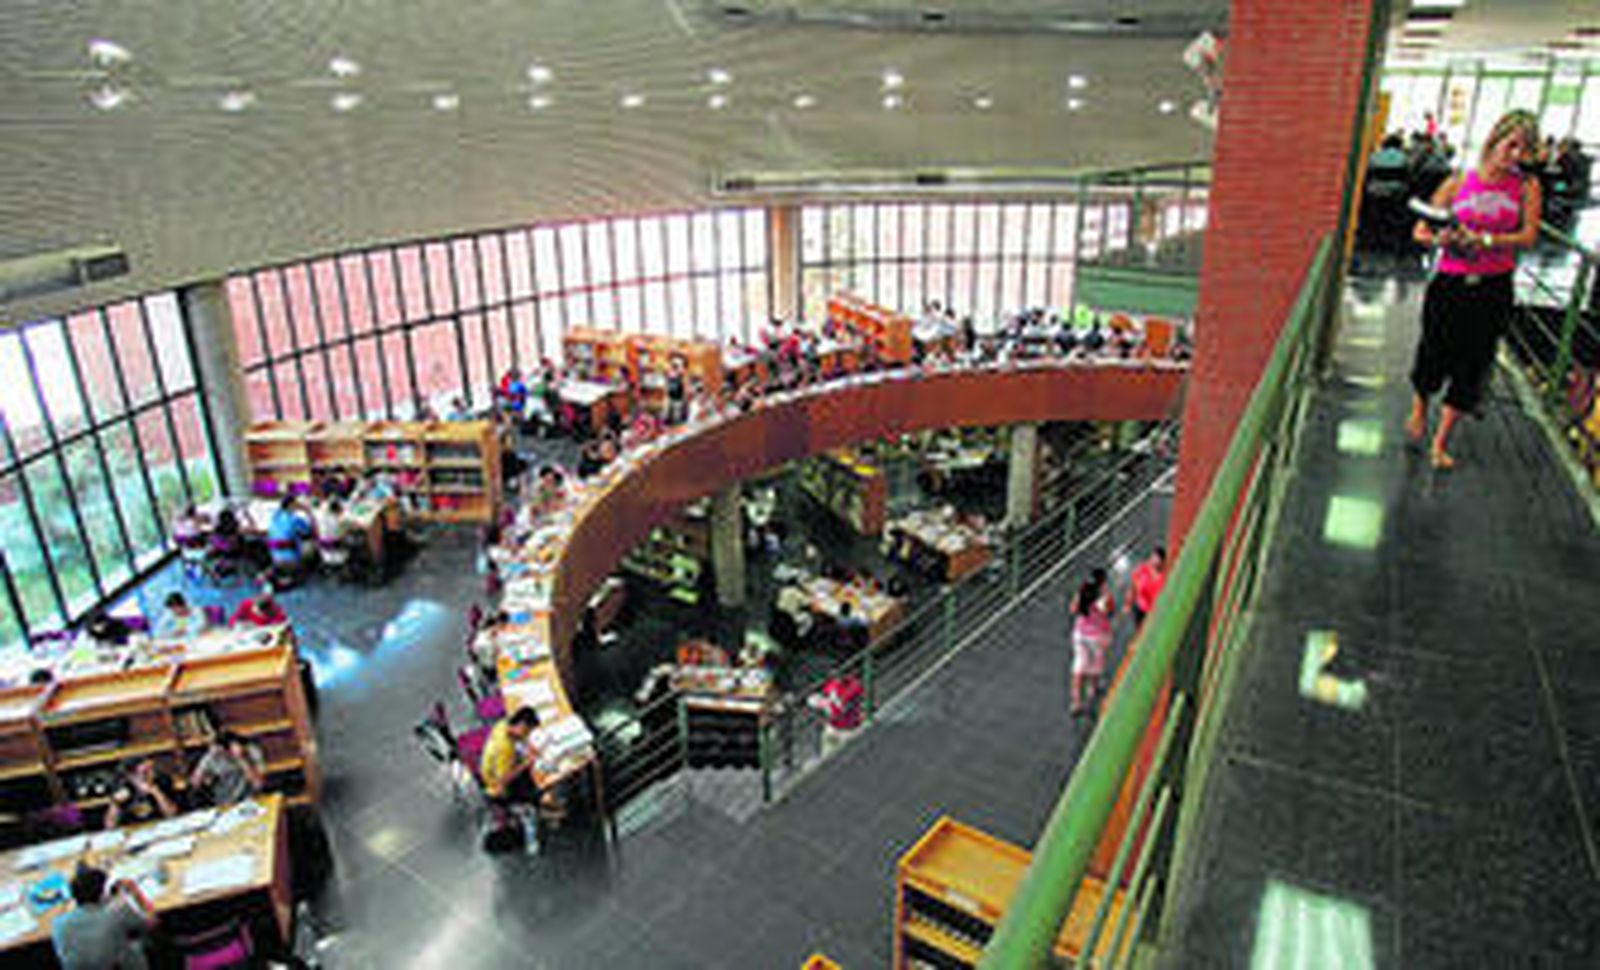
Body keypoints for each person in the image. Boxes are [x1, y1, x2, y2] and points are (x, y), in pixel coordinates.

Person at [1408, 109, 1543, 470]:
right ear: (1494, 140)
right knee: (1433, 350)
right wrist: (1442, 238)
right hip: (1451, 283)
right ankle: (1420, 405)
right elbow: (1420, 231)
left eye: (1524, 149)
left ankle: (1441, 441)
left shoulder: (1527, 187)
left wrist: (1486, 240)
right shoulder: (1457, 182)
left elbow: (1529, 236)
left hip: (1493, 287)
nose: (1515, 155)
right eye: (1511, 145)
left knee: (1474, 360)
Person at [51, 863, 156, 970]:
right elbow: (152, 923)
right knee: (137, 940)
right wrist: (135, 891)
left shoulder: (58, 923)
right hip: (118, 965)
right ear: (103, 894)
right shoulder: (117, 913)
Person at [1069, 568, 1115, 716]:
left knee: (1079, 665)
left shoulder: (1081, 592)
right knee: (1096, 663)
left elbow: (1073, 609)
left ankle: (1076, 701)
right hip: (1098, 635)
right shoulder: (1102, 596)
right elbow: (1109, 610)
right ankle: (1092, 687)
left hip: (1080, 634)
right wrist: (1107, 594)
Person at [480, 706, 542, 805]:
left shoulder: (504, 724)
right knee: (539, 790)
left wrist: (529, 746)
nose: (528, 735)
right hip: (499, 786)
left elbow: (520, 736)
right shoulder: (504, 748)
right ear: (521, 726)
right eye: (527, 731)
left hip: (497, 766)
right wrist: (526, 763)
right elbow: (503, 779)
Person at [189, 730, 265, 806]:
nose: (221, 757)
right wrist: (203, 778)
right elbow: (195, 782)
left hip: (248, 800)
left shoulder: (252, 751)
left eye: (224, 754)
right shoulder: (213, 756)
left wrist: (242, 759)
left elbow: (258, 784)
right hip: (222, 802)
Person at [104, 757, 179, 829]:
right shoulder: (123, 788)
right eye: (145, 772)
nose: (151, 774)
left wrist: (157, 793)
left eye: (150, 770)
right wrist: (115, 804)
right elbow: (110, 825)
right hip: (133, 831)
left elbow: (172, 814)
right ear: (130, 776)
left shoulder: (160, 781)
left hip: (160, 827)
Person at [808, 672, 864, 756]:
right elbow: (817, 704)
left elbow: (862, 701)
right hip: (834, 729)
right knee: (828, 756)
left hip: (850, 729)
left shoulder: (854, 685)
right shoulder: (829, 687)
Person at [266, 495, 314, 582]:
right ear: (291, 505)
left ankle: (277, 572)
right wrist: (308, 512)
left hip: (275, 558)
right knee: (311, 546)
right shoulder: (295, 519)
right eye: (296, 504)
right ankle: (299, 572)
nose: (297, 506)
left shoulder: (274, 517)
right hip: (290, 561)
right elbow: (309, 531)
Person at [1126, 546, 1167, 630]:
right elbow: (1132, 585)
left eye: (1157, 559)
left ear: (1162, 562)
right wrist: (1128, 603)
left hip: (1152, 611)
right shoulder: (1142, 568)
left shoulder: (1162, 578)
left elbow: (1159, 598)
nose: (1153, 561)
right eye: (1153, 558)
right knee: (1140, 628)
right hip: (1139, 607)